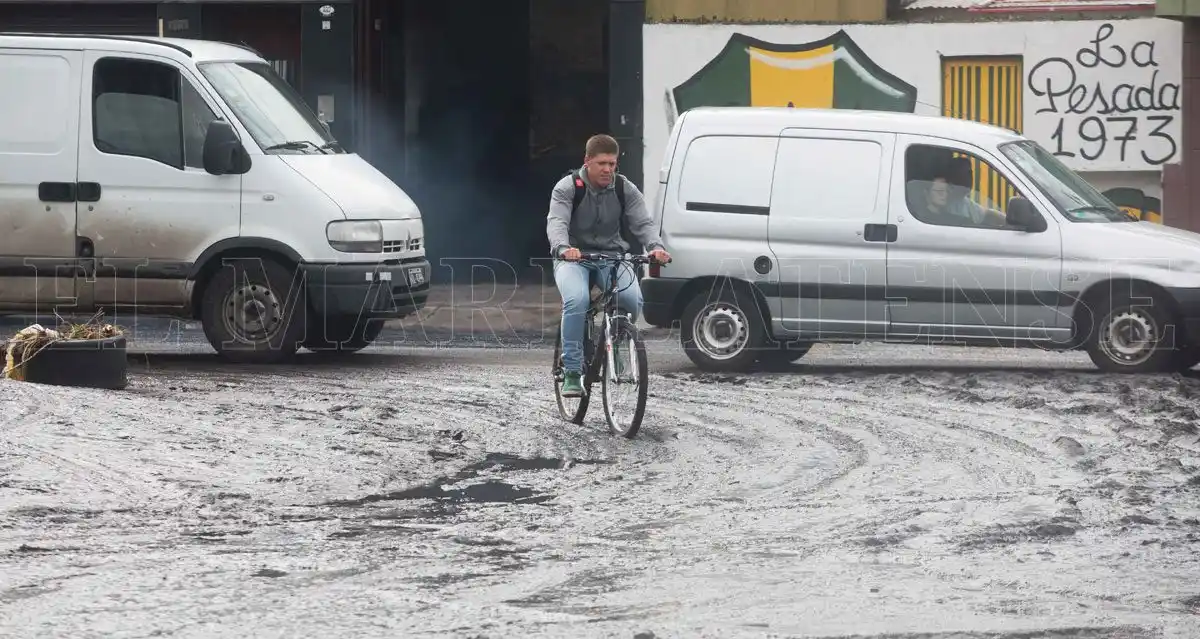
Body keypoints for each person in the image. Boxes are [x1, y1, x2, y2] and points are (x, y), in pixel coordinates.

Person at [546, 134, 671, 397]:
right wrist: (563, 248)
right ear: (587, 161)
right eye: (602, 163)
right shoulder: (567, 188)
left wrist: (655, 247)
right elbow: (556, 223)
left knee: (631, 300)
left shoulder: (625, 188)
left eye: (612, 164)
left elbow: (643, 224)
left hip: (612, 256)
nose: (608, 169)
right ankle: (571, 371)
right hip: (573, 257)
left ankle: (621, 344)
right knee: (576, 300)